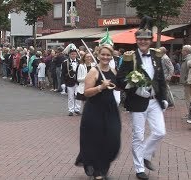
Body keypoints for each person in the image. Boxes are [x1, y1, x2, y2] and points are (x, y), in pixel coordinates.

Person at [116, 16, 168, 180]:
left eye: (146, 39)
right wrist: (133, 87)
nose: (143, 42)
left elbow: (161, 80)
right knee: (138, 136)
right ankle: (139, 168)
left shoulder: (156, 56)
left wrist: (164, 98)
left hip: (155, 101)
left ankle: (145, 154)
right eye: (140, 39)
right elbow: (120, 80)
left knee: (160, 132)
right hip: (137, 102)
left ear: (151, 41)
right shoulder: (129, 57)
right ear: (136, 40)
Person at [76, 45, 121, 180]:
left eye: (108, 55)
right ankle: (98, 171)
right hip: (94, 110)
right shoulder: (94, 72)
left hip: (110, 109)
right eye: (103, 55)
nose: (105, 57)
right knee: (96, 140)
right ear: (98, 55)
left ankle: (101, 166)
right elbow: (86, 93)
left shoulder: (113, 70)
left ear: (111, 56)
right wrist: (100, 87)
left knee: (113, 139)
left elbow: (118, 86)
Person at [62, 44, 81, 116]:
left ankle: (77, 109)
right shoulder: (65, 62)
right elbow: (63, 73)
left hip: (78, 82)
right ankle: (71, 110)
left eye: (75, 54)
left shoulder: (79, 62)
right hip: (69, 81)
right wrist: (63, 83)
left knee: (78, 96)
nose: (73, 56)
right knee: (70, 97)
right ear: (69, 55)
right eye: (72, 54)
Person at [180, 45, 191, 118]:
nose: (181, 52)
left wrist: (186, 79)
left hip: (188, 82)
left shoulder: (189, 58)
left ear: (185, 51)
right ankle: (190, 113)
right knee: (188, 98)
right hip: (187, 81)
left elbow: (190, 70)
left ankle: (190, 114)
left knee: (188, 98)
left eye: (182, 50)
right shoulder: (188, 58)